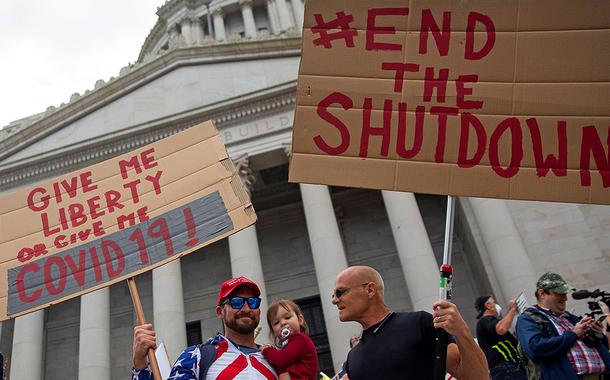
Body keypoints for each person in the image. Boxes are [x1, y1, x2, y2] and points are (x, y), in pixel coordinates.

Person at [332, 265, 488, 379]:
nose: (334, 300)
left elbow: (476, 377)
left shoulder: (418, 324)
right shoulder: (353, 357)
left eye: (340, 292)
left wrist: (461, 331)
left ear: (370, 290)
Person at [131, 276, 278, 380]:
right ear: (220, 312)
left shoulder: (277, 359)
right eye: (237, 302)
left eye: (252, 302)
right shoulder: (196, 357)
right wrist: (140, 363)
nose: (246, 308)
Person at [516, 272, 610, 380]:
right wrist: (573, 334)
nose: (565, 298)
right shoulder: (528, 319)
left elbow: (603, 346)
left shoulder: (572, 317)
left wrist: (596, 333)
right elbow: (536, 348)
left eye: (565, 293)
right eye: (559, 293)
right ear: (542, 294)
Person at [261, 299, 318, 380]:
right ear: (274, 331)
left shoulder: (301, 340)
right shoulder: (287, 345)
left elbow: (281, 359)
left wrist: (267, 350)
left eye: (287, 317)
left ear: (300, 320)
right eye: (276, 323)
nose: (283, 323)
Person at [474, 295, 526, 379]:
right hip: (506, 369)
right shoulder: (484, 320)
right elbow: (501, 329)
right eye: (494, 302)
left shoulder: (490, 324)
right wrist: (512, 309)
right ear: (488, 305)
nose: (496, 305)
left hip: (510, 368)